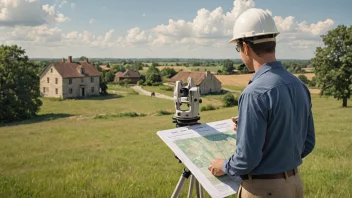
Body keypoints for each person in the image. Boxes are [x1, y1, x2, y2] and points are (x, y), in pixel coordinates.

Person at [208, 8, 315, 198]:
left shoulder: (254, 93)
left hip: (263, 190)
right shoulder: (299, 85)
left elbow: (247, 159)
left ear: (246, 47)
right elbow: (307, 143)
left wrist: (223, 165)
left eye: (238, 49)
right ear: (272, 43)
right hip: (295, 184)